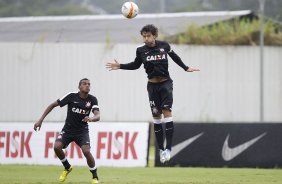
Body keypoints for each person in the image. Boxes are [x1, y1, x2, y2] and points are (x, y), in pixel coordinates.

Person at [106, 24, 200, 163]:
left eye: (148, 36)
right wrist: (120, 66)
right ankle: (161, 149)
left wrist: (186, 68)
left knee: (167, 112)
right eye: (144, 36)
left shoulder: (164, 46)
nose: (146, 38)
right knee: (157, 116)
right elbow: (135, 65)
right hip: (152, 87)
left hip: (166, 84)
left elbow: (175, 57)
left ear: (154, 35)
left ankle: (168, 148)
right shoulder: (140, 50)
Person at [33, 78, 100, 184]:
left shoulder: (92, 99)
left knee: (86, 151)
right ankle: (67, 167)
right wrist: (40, 120)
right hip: (68, 130)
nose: (87, 85)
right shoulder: (71, 96)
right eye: (84, 84)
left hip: (82, 131)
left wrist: (91, 118)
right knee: (56, 147)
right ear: (79, 87)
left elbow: (98, 115)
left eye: (89, 84)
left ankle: (95, 177)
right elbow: (52, 105)